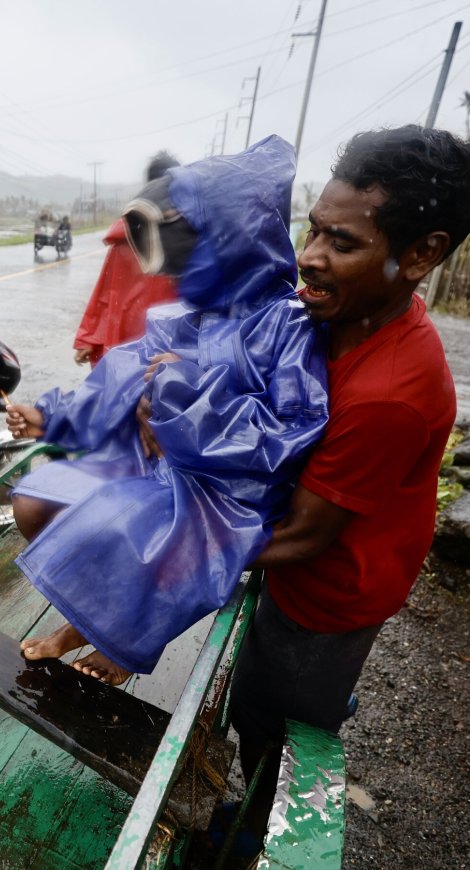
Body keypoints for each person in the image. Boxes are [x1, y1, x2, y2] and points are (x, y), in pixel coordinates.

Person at [6, 136, 329, 686]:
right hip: (168, 465)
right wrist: (53, 415)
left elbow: (291, 430)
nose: (177, 278)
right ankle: (99, 611)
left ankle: (114, 634)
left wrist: (184, 392)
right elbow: (123, 373)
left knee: (129, 526)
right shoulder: (192, 313)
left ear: (232, 245)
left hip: (230, 491)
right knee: (35, 500)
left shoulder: (287, 325)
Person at [225, 125, 470, 846]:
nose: (310, 257)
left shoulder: (391, 391)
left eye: (343, 242)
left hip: (332, 595)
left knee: (271, 721)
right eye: (312, 229)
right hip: (328, 552)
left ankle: (254, 831)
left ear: (422, 253)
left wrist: (175, 549)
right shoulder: (356, 314)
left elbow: (300, 536)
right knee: (267, 694)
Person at [73, 151, 181, 367]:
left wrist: (89, 336)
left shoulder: (127, 236)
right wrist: (88, 337)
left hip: (130, 348)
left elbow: (103, 294)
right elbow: (106, 291)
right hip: (163, 349)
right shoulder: (182, 240)